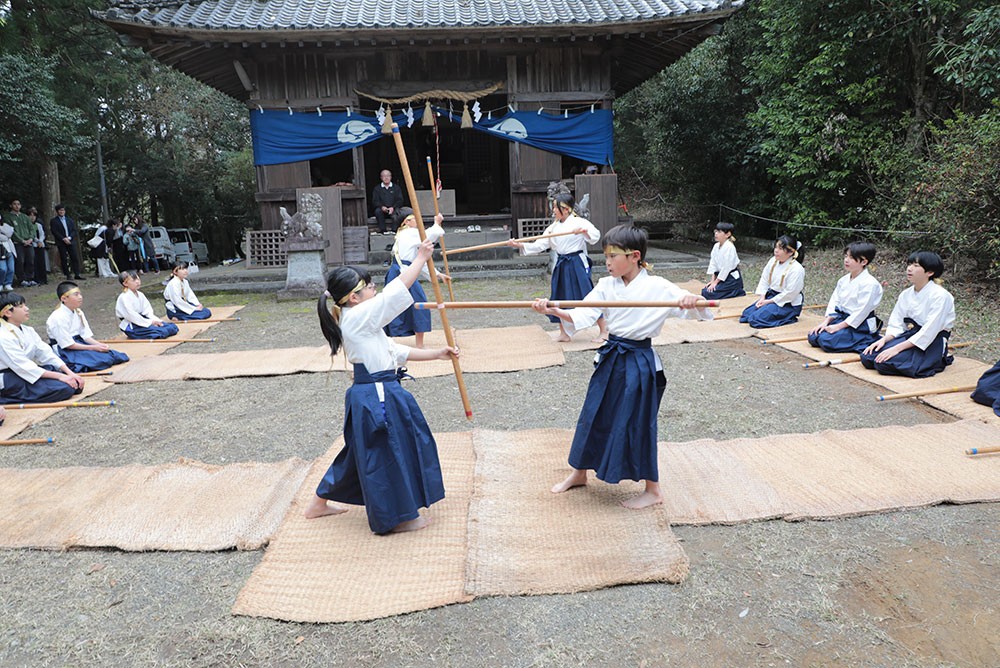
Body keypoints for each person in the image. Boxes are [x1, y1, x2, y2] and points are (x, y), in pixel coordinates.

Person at [531, 224, 713, 509]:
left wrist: (695, 300)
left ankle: (653, 489)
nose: (607, 262)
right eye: (604, 256)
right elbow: (583, 313)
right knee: (593, 412)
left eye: (612, 256)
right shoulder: (606, 286)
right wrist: (553, 310)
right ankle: (579, 473)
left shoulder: (657, 287)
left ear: (634, 256)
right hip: (611, 357)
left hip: (640, 362)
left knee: (638, 422)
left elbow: (699, 310)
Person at [304, 238, 458, 534]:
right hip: (376, 396)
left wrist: (437, 354)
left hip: (377, 392)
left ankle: (318, 503)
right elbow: (394, 295)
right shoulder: (358, 317)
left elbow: (394, 351)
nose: (374, 290)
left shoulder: (361, 319)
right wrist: (421, 258)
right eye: (369, 287)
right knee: (385, 453)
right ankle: (396, 516)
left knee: (361, 451)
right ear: (353, 298)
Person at [510, 193, 608, 342]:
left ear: (566, 209)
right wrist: (520, 245)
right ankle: (564, 333)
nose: (553, 210)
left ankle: (604, 331)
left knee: (587, 294)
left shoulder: (579, 222)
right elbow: (540, 244)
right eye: (554, 207)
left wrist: (584, 231)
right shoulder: (553, 227)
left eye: (556, 207)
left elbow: (595, 236)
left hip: (577, 262)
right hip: (562, 263)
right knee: (559, 295)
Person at [860, 251, 955, 378]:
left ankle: (936, 359)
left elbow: (929, 331)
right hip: (910, 335)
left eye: (916, 266)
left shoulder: (941, 296)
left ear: (930, 272)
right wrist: (884, 340)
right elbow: (897, 323)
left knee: (885, 363)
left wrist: (896, 349)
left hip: (931, 340)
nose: (909, 269)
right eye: (909, 264)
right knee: (868, 357)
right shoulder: (906, 294)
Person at [0, 291, 85, 404]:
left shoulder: (28, 330)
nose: (27, 309)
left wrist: (69, 373)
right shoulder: (3, 336)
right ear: (8, 313)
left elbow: (45, 353)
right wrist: (60, 377)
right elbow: (22, 365)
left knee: (75, 384)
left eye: (25, 305)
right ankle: (6, 398)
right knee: (65, 388)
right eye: (21, 306)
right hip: (11, 378)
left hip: (27, 373)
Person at [383, 208, 449, 348]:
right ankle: (416, 345)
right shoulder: (409, 232)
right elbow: (431, 234)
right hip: (403, 273)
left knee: (399, 305)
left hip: (403, 271)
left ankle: (417, 343)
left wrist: (436, 274)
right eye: (415, 219)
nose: (418, 222)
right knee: (419, 304)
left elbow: (418, 261)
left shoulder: (405, 234)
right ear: (407, 221)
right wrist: (437, 222)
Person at [807, 242, 883, 352]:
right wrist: (826, 322)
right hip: (842, 318)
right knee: (813, 336)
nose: (846, 260)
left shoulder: (870, 284)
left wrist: (837, 327)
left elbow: (861, 312)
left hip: (859, 324)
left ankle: (866, 339)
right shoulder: (843, 280)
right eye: (846, 256)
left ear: (864, 261)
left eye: (851, 258)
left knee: (826, 340)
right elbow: (835, 302)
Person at [45, 281, 129, 372]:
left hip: (79, 343)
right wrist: (93, 347)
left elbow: (85, 335)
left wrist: (98, 344)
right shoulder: (57, 318)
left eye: (80, 294)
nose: (80, 297)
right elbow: (67, 344)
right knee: (102, 361)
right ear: (64, 298)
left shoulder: (78, 312)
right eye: (76, 295)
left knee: (116, 356)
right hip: (66, 350)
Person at [740, 234, 805, 328]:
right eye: (776, 247)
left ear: (790, 252)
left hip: (786, 303)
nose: (776, 250)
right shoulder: (773, 261)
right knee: (746, 315)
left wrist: (769, 302)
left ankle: (789, 317)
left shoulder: (797, 269)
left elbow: (790, 293)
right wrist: (762, 297)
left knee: (755, 319)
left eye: (780, 249)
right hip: (771, 296)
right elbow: (764, 279)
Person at [115, 270, 179, 339]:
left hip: (144, 320)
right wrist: (150, 322)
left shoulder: (140, 294)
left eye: (138, 279)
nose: (137, 282)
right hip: (133, 324)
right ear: (125, 283)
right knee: (162, 332)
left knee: (172, 327)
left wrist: (154, 320)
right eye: (134, 280)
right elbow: (131, 316)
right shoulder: (124, 297)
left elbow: (147, 310)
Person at [701, 221, 745, 300]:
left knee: (709, 293)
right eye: (716, 231)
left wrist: (716, 282)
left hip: (731, 279)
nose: (716, 234)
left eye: (719, 232)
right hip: (720, 277)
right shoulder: (716, 246)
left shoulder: (730, 247)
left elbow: (726, 268)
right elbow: (713, 263)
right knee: (705, 291)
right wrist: (712, 281)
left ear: (727, 234)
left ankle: (737, 291)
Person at [49, 204, 84, 280]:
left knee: (74, 257)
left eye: (63, 210)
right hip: (61, 242)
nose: (62, 212)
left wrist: (69, 237)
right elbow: (54, 231)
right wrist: (63, 238)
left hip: (70, 240)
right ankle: (67, 274)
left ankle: (77, 273)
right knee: (64, 258)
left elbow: (74, 230)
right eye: (60, 210)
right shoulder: (54, 221)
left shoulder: (69, 220)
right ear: (57, 211)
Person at [7, 199, 36, 287]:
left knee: (30, 260)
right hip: (18, 243)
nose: (17, 206)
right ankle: (21, 279)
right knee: (20, 261)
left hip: (29, 242)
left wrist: (31, 238)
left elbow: (31, 228)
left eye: (18, 204)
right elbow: (11, 232)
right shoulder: (8, 217)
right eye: (14, 204)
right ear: (11, 205)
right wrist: (22, 240)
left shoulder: (24, 217)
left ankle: (30, 278)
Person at [371, 169, 405, 235]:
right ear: (381, 178)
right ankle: (383, 230)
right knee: (377, 211)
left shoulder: (396, 188)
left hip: (393, 209)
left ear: (391, 177)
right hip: (382, 210)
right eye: (384, 176)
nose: (386, 178)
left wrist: (393, 207)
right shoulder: (377, 188)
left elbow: (400, 200)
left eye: (388, 176)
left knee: (398, 213)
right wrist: (382, 207)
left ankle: (394, 231)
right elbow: (375, 201)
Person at [29, 207, 49, 286]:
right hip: (33, 244)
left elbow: (42, 234)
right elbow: (32, 235)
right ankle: (37, 279)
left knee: (42, 262)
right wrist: (37, 241)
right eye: (30, 215)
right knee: (35, 262)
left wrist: (40, 241)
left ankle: (43, 279)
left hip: (40, 245)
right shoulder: (28, 225)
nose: (32, 217)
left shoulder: (38, 225)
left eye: (34, 215)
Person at [0, 216, 15, 293]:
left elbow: (10, 233)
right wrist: (4, 235)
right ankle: (1, 283)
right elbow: (4, 237)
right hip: (1, 251)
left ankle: (8, 283)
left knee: (11, 268)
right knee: (3, 269)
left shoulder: (5, 225)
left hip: (9, 249)